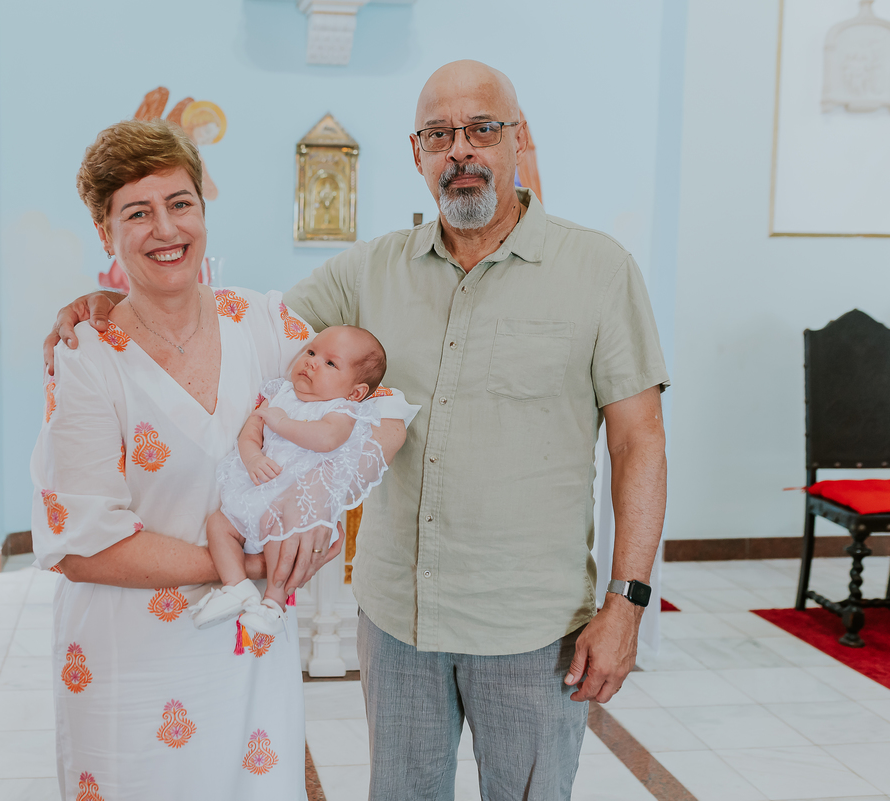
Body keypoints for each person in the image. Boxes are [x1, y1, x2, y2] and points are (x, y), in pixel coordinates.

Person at [45, 60, 669, 801]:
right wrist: (105, 294)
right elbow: (222, 316)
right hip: (397, 619)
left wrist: (627, 602)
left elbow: (641, 443)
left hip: (529, 623)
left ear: (516, 140)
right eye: (439, 134)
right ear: (417, 154)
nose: (460, 150)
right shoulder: (369, 271)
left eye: (481, 129)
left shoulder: (596, 269)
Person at [32, 118, 407, 800]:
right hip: (130, 665)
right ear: (104, 231)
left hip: (249, 660)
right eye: (137, 212)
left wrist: (315, 514)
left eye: (180, 203)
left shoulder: (263, 324)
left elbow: (367, 418)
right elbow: (79, 545)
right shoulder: (88, 356)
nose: (166, 229)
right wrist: (248, 565)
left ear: (204, 207)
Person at [192, 325, 419, 635]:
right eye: (311, 352)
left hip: (291, 500)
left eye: (330, 363)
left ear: (355, 392)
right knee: (219, 525)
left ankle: (273, 601)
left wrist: (283, 423)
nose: (312, 362)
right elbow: (252, 429)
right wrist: (253, 457)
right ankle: (236, 587)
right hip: (256, 488)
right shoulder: (280, 393)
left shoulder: (342, 410)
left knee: (284, 543)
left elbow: (327, 439)